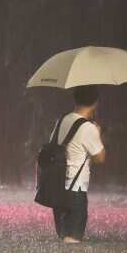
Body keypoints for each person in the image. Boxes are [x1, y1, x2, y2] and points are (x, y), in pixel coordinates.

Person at [52, 85, 106, 243]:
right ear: (95, 103)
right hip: (75, 191)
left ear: (74, 100)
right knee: (73, 241)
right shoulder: (88, 128)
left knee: (63, 239)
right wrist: (98, 134)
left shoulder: (61, 121)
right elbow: (100, 158)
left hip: (57, 189)